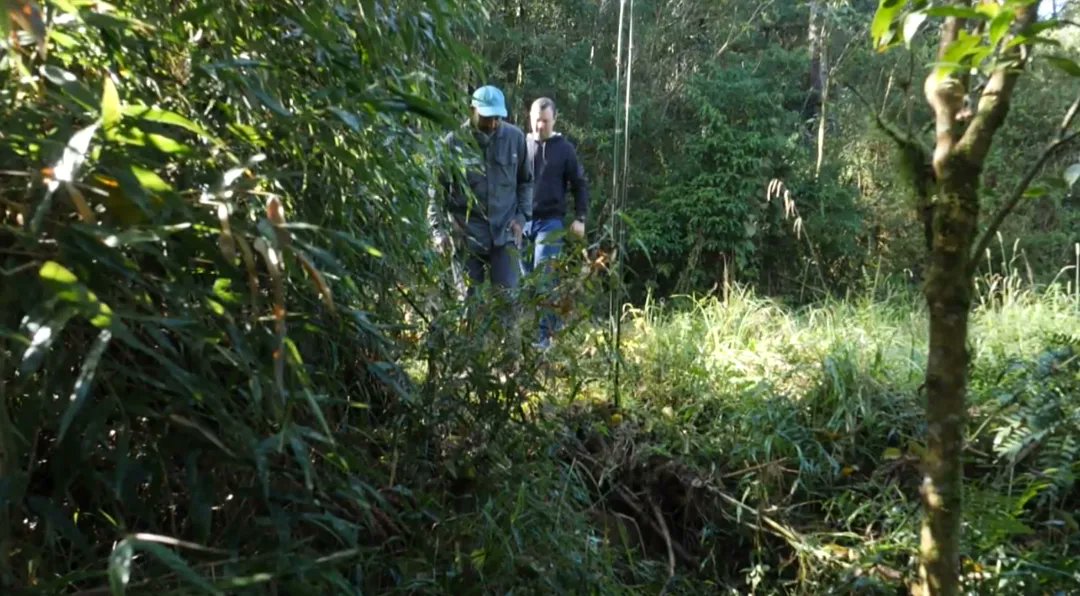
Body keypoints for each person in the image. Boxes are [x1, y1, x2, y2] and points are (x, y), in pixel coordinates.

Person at [428, 85, 533, 323]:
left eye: (497, 117)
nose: (493, 123)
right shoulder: (452, 143)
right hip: (467, 236)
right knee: (468, 306)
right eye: (487, 118)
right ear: (472, 111)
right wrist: (438, 231)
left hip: (505, 234)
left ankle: (510, 358)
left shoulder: (515, 138)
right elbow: (436, 192)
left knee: (509, 302)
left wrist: (521, 217)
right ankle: (468, 358)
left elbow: (526, 182)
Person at [521, 97, 589, 350]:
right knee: (524, 283)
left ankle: (545, 339)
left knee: (543, 280)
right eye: (536, 120)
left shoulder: (564, 149)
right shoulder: (522, 144)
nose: (540, 125)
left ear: (554, 120)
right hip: (522, 222)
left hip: (550, 222)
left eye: (545, 121)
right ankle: (536, 332)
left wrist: (580, 218)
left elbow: (579, 184)